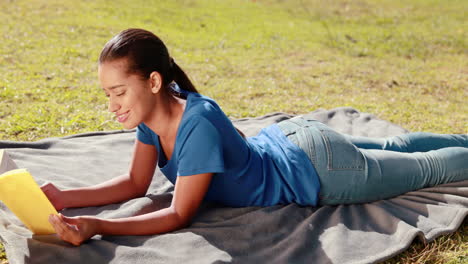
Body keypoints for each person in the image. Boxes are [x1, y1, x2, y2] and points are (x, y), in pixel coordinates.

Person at [41, 28, 468, 246]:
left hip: (320, 171)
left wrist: (99, 225)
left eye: (118, 92)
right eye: (107, 94)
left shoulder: (197, 123)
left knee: (425, 169)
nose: (112, 104)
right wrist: (64, 196)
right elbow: (134, 185)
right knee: (400, 147)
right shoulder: (155, 115)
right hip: (298, 141)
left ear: (153, 81)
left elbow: (177, 215)